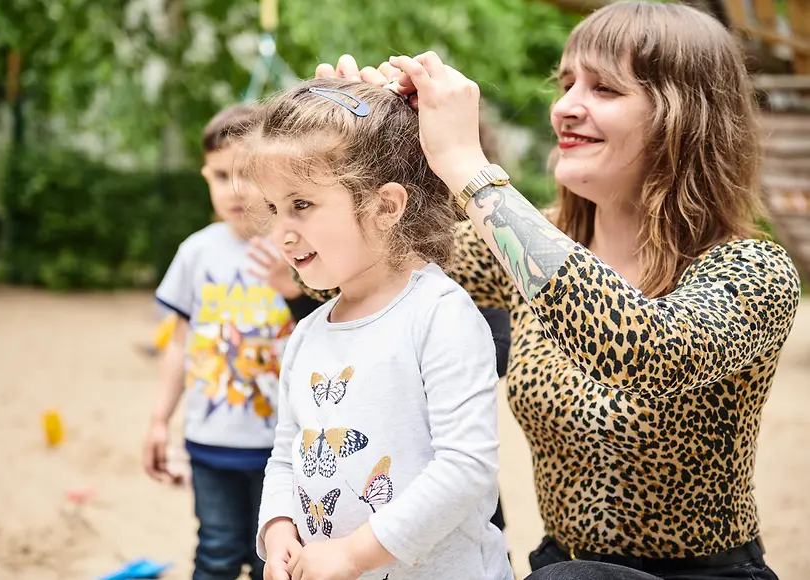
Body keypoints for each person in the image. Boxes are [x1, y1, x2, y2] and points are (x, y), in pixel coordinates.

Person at [309, 2, 802, 579]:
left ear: (684, 117)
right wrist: (352, 153)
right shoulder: (520, 246)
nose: (566, 107)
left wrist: (467, 164)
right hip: (558, 566)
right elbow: (354, 288)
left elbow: (643, 351)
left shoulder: (754, 269)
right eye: (567, 84)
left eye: (605, 90)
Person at [244, 78, 513, 580]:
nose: (282, 230)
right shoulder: (308, 334)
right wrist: (279, 527)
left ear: (385, 206)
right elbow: (286, 453)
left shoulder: (438, 315)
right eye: (274, 208)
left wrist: (352, 554)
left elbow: (466, 469)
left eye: (301, 204)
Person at [142, 103, 314, 580]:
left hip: (281, 449)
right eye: (221, 176)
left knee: (275, 562)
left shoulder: (302, 246)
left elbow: (326, 336)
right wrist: (160, 420)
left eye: (247, 174)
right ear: (205, 176)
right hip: (209, 442)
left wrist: (293, 288)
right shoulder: (196, 252)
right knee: (215, 552)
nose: (235, 190)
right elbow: (177, 344)